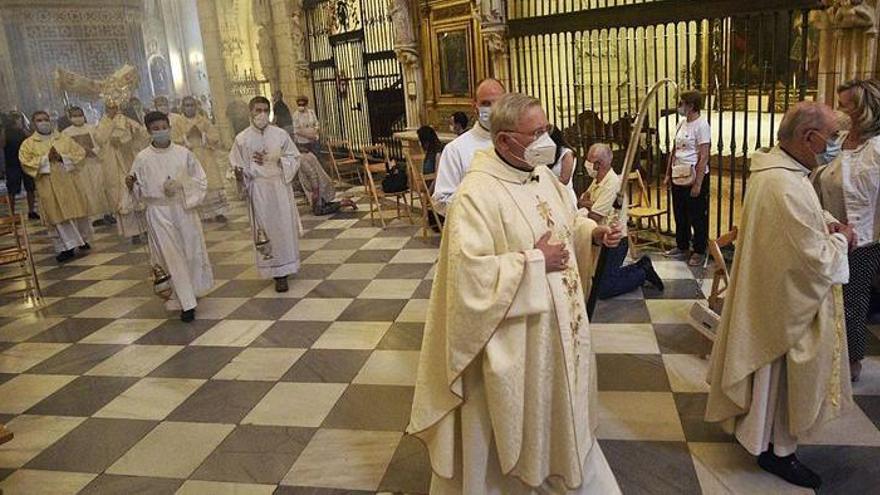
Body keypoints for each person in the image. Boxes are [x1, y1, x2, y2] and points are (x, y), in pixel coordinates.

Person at [409, 93, 622, 494]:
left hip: (560, 332)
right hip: (518, 339)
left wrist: (592, 232)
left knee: (559, 414)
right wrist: (532, 262)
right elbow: (469, 277)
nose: (547, 140)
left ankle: (561, 461)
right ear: (505, 140)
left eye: (546, 129)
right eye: (536, 132)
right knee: (516, 428)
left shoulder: (541, 174)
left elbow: (567, 220)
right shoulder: (476, 195)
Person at [705, 101, 855, 490]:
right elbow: (816, 260)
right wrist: (841, 238)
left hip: (773, 296)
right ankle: (777, 451)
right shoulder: (784, 183)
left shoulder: (779, 172)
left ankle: (761, 437)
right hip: (786, 305)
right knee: (781, 377)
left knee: (770, 378)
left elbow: (804, 220)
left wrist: (826, 221)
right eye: (832, 137)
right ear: (809, 138)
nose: (834, 144)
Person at [816, 79, 880, 382]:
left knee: (852, 301)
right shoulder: (840, 139)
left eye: (846, 104)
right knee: (827, 298)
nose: (839, 110)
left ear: (864, 109)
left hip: (862, 239)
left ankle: (852, 360)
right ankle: (828, 352)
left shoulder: (877, 148)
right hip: (830, 230)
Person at [127, 111, 213, 323]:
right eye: (155, 129)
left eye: (163, 127)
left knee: (191, 252)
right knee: (170, 256)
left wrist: (182, 187)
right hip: (159, 212)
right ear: (148, 132)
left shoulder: (183, 153)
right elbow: (137, 188)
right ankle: (186, 303)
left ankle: (192, 291)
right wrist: (132, 186)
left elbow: (200, 179)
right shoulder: (142, 158)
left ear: (169, 127)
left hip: (183, 208)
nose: (160, 131)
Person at [230, 96, 302, 293]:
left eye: (265, 110)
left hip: (279, 186)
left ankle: (284, 271)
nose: (261, 114)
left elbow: (295, 157)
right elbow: (236, 165)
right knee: (266, 229)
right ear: (250, 112)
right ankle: (272, 269)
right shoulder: (242, 139)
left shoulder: (280, 135)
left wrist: (279, 160)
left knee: (283, 228)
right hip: (259, 189)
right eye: (257, 110)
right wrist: (239, 175)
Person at [579, 143, 664, 297]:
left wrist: (588, 204)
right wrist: (588, 204)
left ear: (599, 164)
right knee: (595, 280)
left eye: (590, 160)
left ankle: (642, 273)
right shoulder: (598, 180)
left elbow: (594, 215)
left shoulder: (612, 184)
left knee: (603, 290)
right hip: (599, 238)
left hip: (615, 240)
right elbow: (582, 201)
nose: (587, 163)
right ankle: (641, 266)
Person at [19, 111, 92, 263]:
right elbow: (26, 162)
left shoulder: (62, 138)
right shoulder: (28, 144)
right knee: (57, 216)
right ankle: (66, 247)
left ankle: (82, 239)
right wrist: (46, 159)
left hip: (69, 181)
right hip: (48, 184)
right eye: (39, 120)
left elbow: (79, 153)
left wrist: (61, 157)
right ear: (33, 123)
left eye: (46, 119)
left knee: (77, 211)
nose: (43, 122)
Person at [432, 78, 506, 216]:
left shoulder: (516, 141)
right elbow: (441, 201)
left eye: (498, 103)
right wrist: (481, 205)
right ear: (475, 106)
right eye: (486, 103)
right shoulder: (456, 150)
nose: (492, 109)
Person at [664, 90, 711, 266]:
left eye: (681, 103)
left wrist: (698, 183)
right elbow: (674, 150)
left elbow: (704, 155)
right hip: (678, 174)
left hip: (694, 174)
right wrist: (668, 173)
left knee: (697, 215)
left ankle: (699, 249)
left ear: (691, 106)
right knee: (680, 212)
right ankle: (682, 245)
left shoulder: (701, 125)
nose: (679, 107)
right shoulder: (681, 123)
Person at [95, 99, 148, 242]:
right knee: (122, 199)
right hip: (113, 166)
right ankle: (133, 233)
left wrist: (127, 137)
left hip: (128, 161)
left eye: (114, 107)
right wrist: (112, 131)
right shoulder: (102, 123)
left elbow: (141, 134)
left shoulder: (126, 120)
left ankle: (147, 229)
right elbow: (99, 140)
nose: (112, 110)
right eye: (109, 107)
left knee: (138, 195)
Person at [174, 96, 229, 223]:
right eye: (187, 105)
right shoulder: (178, 123)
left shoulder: (203, 121)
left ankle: (218, 212)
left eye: (192, 105)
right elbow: (173, 140)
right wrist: (186, 136)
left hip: (205, 154)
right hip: (188, 156)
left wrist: (202, 134)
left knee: (211, 182)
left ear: (196, 106)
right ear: (183, 107)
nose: (190, 108)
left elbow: (215, 137)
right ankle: (200, 214)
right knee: (194, 183)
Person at [62, 106, 112, 224]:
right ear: (70, 118)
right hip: (80, 166)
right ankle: (94, 217)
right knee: (86, 191)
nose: (78, 118)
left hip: (95, 162)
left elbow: (102, 143)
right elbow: (66, 150)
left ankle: (106, 213)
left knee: (100, 188)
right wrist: (80, 153)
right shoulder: (66, 133)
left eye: (80, 115)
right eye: (75, 116)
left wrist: (93, 151)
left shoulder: (93, 128)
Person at [296, 143, 357, 215]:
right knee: (318, 206)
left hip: (320, 186)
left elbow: (312, 175)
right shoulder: (307, 154)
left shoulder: (301, 159)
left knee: (318, 211)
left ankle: (343, 203)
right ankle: (339, 203)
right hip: (322, 183)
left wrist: (315, 192)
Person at [2, 111, 39, 219]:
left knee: (30, 187)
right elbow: (2, 144)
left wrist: (23, 127)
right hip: (12, 163)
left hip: (26, 162)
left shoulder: (23, 130)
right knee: (12, 189)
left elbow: (31, 139)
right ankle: (11, 213)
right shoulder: (6, 131)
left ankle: (31, 211)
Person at [549, 126, 578, 207]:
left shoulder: (567, 153)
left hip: (564, 195)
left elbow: (565, 180)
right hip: (552, 194)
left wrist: (546, 178)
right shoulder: (551, 153)